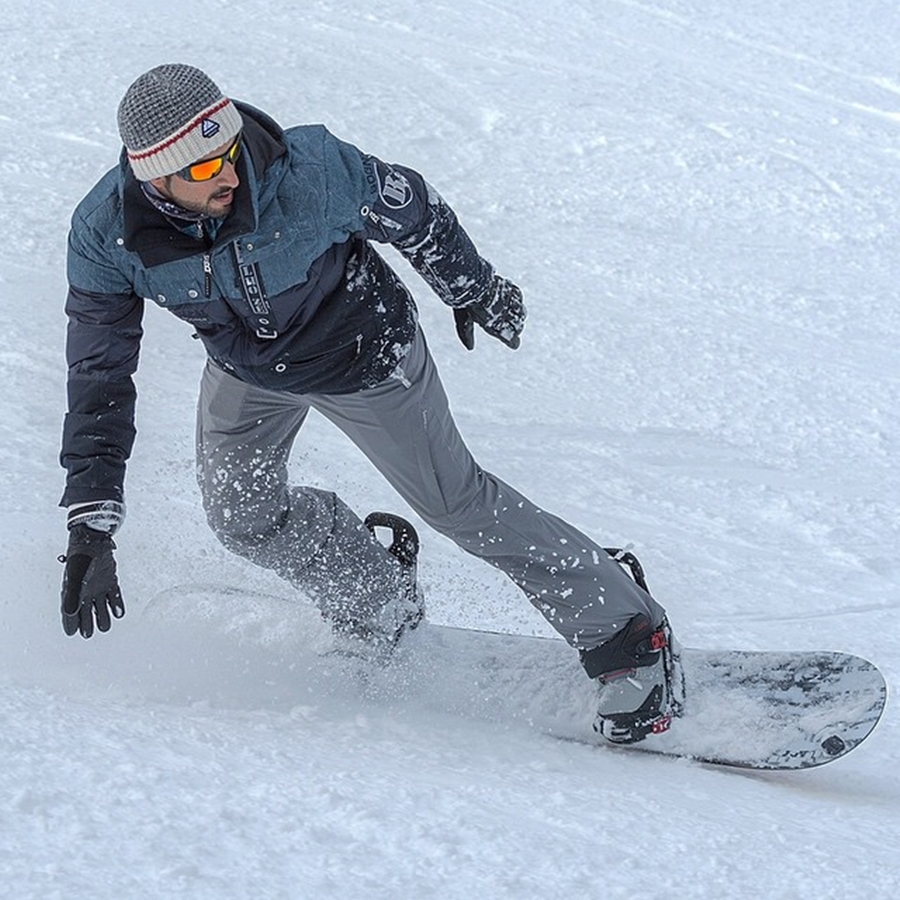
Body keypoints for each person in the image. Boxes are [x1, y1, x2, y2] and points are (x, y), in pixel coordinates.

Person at [58, 64, 683, 744]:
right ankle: (375, 597)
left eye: (231, 153)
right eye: (206, 171)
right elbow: (99, 377)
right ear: (157, 179)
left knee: (459, 505)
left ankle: (627, 631)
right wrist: (91, 525)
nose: (230, 177)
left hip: (363, 353)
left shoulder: (310, 171)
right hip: (250, 369)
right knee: (239, 514)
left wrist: (470, 286)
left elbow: (413, 206)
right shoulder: (104, 236)